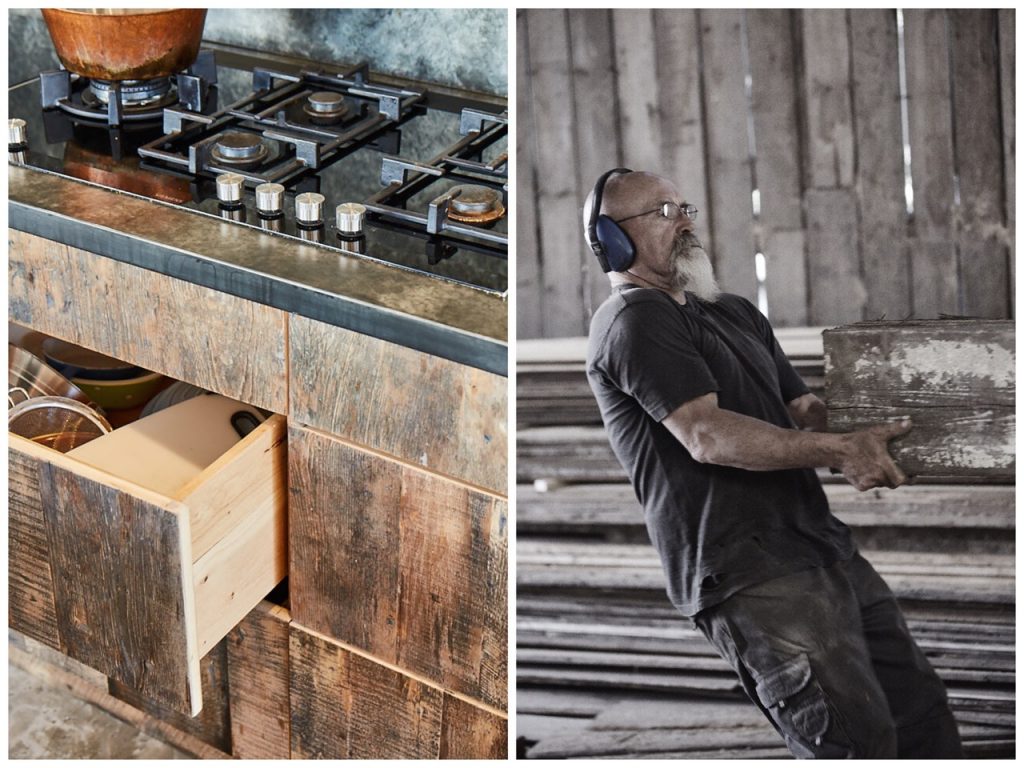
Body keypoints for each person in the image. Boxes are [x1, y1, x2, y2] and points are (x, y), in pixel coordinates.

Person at [583, 168, 964, 759]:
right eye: (662, 212)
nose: (683, 220)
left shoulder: (733, 313)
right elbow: (706, 435)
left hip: (819, 545)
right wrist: (842, 451)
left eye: (685, 207)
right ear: (612, 239)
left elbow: (806, 409)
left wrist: (920, 419)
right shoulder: (634, 320)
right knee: (856, 745)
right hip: (748, 572)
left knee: (923, 719)